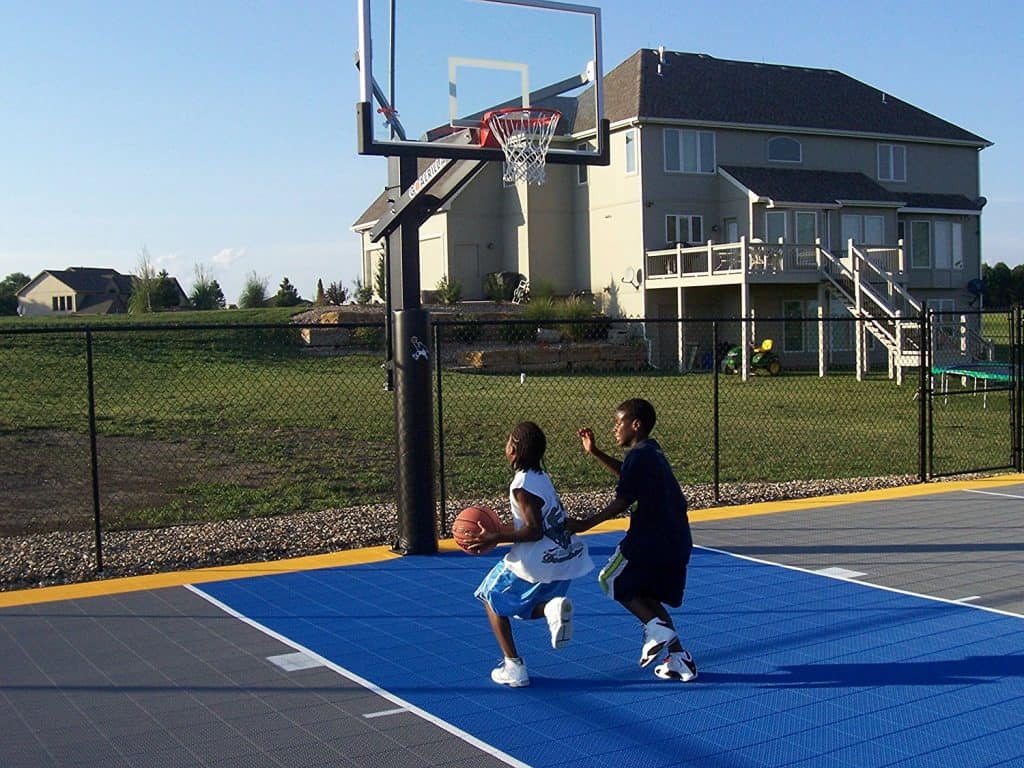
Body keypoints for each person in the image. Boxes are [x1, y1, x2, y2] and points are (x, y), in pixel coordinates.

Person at [569, 398, 698, 682]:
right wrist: (596, 452)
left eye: (619, 423)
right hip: (677, 540)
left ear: (635, 425)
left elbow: (623, 499)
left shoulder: (640, 457)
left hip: (650, 539)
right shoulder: (650, 451)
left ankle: (655, 628)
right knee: (647, 597)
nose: (615, 428)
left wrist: (584, 524)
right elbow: (630, 474)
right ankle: (678, 658)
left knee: (609, 579)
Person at [460, 421, 594, 688]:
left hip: (538, 559)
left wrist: (496, 537)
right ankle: (552, 609)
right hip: (563, 556)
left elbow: (533, 530)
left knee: (490, 595)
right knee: (520, 607)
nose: (505, 446)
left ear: (515, 449)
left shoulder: (522, 487)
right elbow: (537, 522)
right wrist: (497, 529)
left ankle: (514, 667)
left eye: (509, 441)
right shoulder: (541, 478)